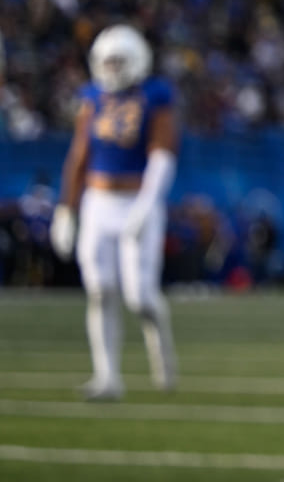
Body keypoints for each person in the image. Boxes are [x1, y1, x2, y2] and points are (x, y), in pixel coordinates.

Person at [51, 24, 179, 400]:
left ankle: (160, 344)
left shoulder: (156, 95)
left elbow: (163, 154)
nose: (111, 68)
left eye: (118, 61)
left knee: (140, 297)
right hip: (98, 202)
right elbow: (78, 156)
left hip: (137, 200)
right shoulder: (92, 96)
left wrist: (147, 205)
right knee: (100, 289)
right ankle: (107, 377)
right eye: (106, 61)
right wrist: (66, 210)